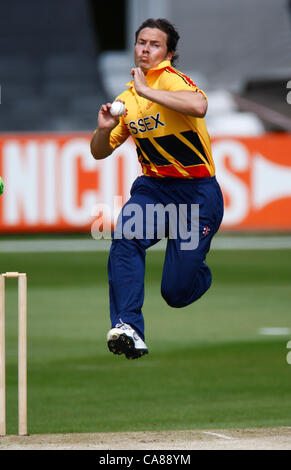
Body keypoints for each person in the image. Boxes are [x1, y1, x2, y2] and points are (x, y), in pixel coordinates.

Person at [90, 18, 224, 360]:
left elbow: (199, 106)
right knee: (125, 237)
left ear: (169, 53)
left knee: (176, 293)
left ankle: (199, 270)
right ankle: (128, 327)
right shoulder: (126, 99)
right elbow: (98, 151)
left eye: (154, 44)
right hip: (155, 190)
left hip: (196, 195)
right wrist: (105, 129)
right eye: (141, 43)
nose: (145, 49)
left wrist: (147, 90)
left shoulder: (171, 81)